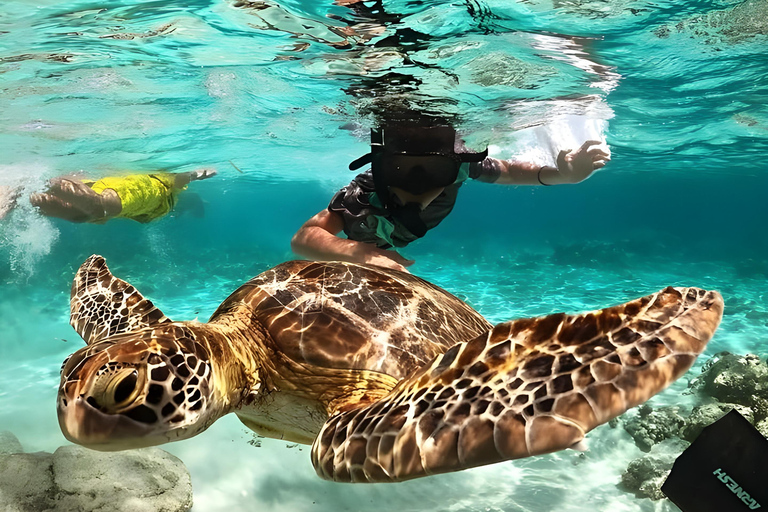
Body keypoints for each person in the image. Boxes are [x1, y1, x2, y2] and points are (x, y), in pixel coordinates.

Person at [291, 124, 609, 272]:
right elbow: (304, 237)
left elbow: (511, 170)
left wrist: (562, 174)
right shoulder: (363, 194)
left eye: (436, 171)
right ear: (384, 170)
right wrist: (359, 253)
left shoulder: (461, 168)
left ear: (453, 167)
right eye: (401, 170)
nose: (418, 185)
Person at [0, 169, 216, 223]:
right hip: (144, 189)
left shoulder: (168, 204)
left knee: (80, 215)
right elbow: (176, 180)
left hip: (133, 195)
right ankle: (36, 178)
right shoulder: (166, 192)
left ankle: (23, 193)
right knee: (97, 208)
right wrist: (194, 175)